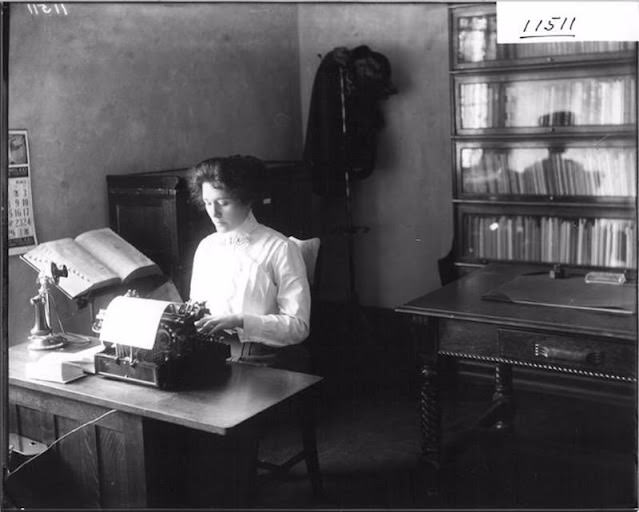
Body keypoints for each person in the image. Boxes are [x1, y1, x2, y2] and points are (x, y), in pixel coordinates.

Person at [188, 155, 311, 371]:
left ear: (246, 199)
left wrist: (242, 321)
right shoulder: (206, 248)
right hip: (211, 353)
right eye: (208, 203)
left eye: (223, 203)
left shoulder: (279, 248)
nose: (214, 213)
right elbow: (196, 309)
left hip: (263, 359)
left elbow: (298, 327)